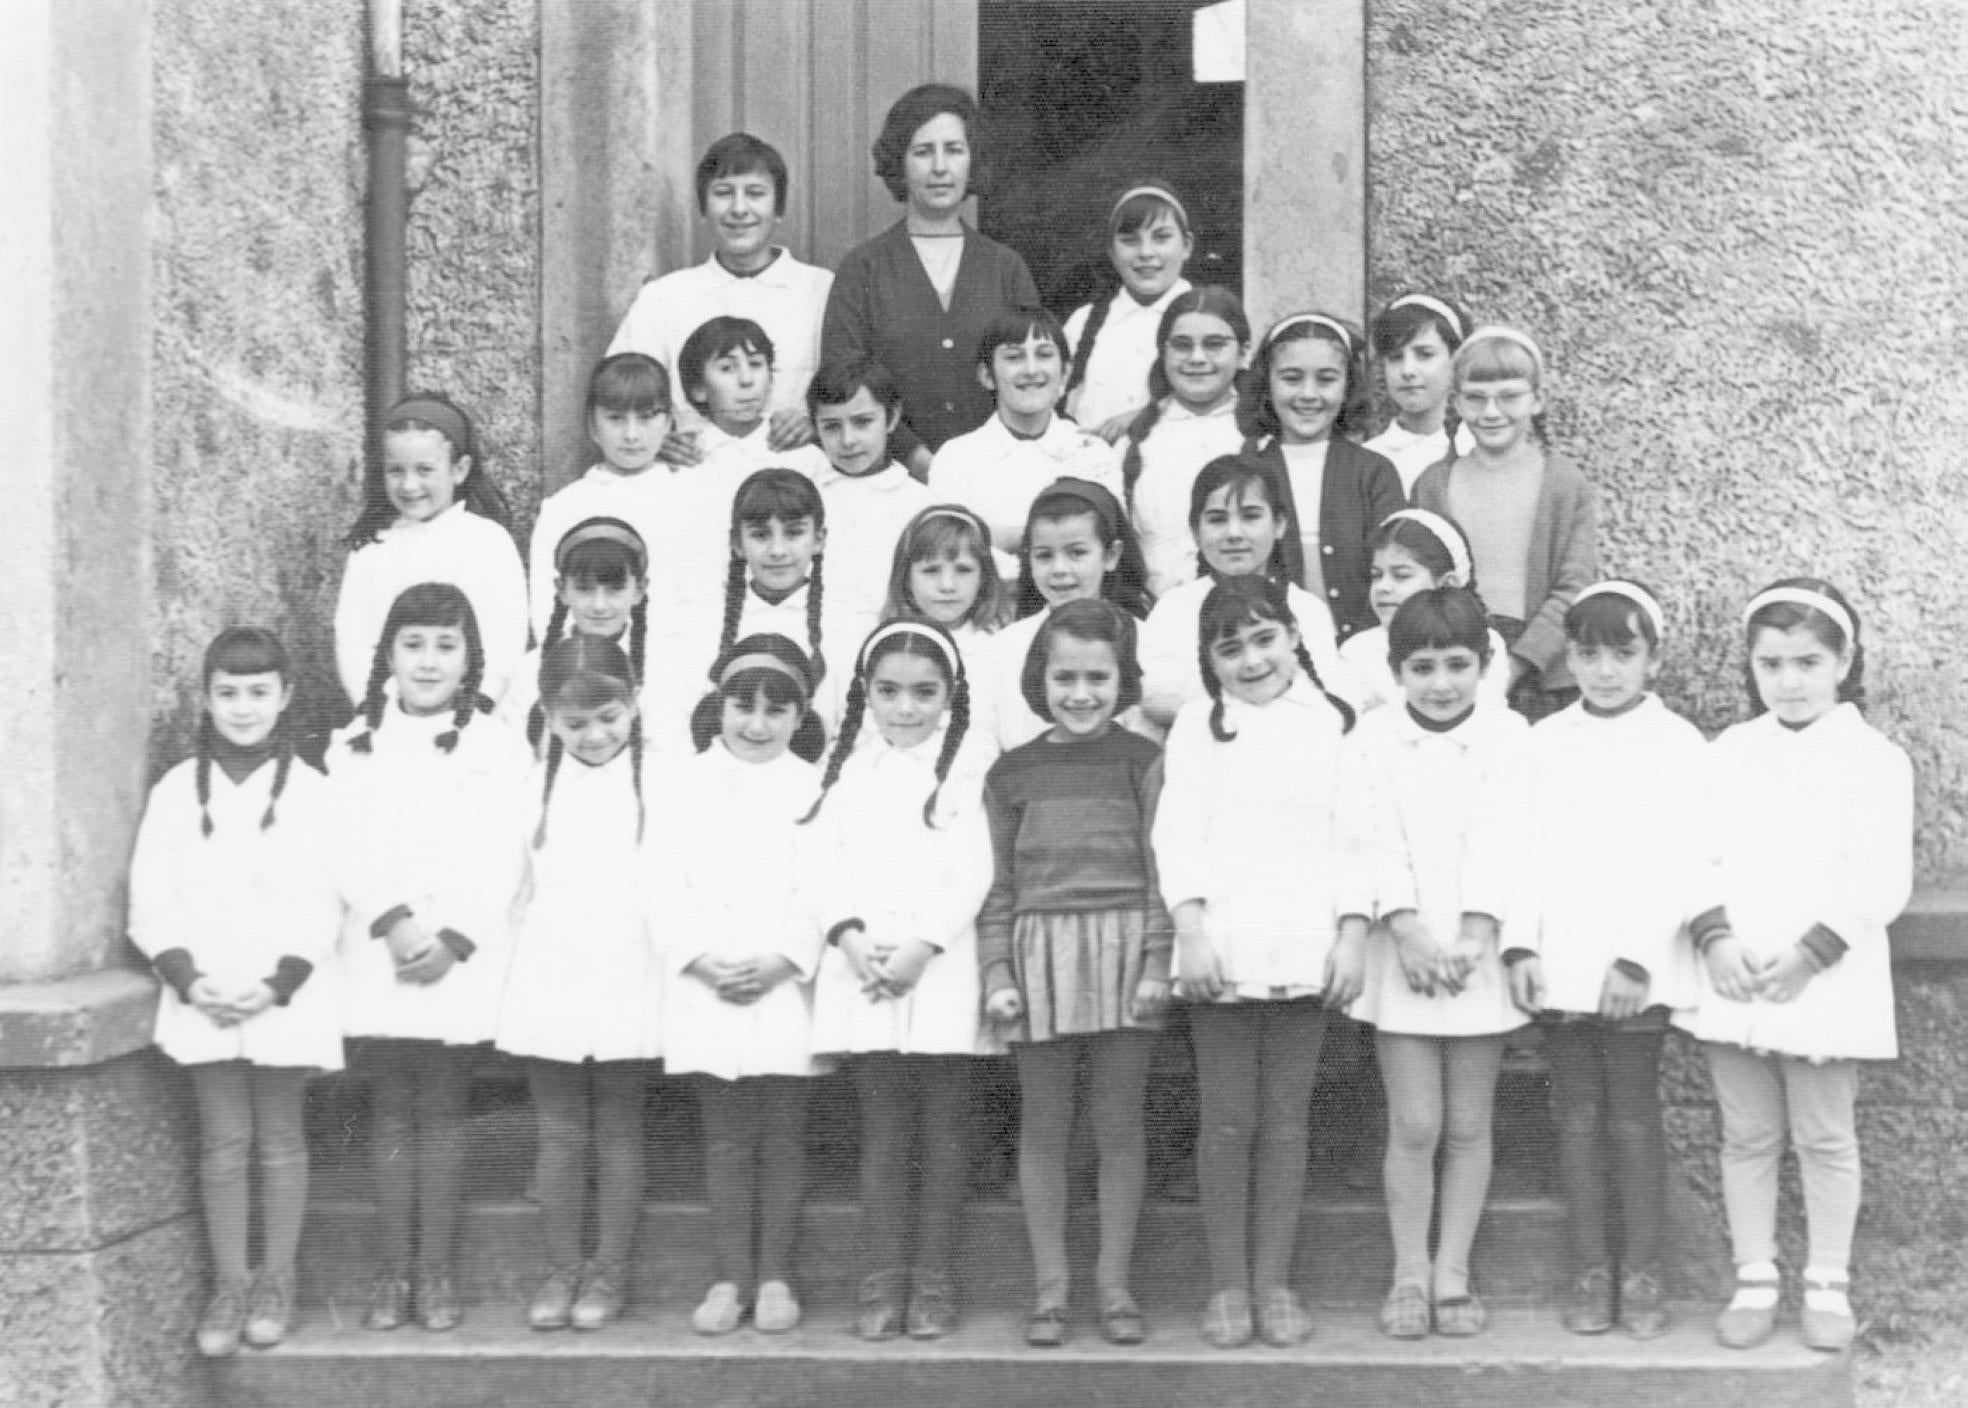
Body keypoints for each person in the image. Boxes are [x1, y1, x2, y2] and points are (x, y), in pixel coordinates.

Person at [1679, 579, 1911, 1354]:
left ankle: (1827, 1281)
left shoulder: (1875, 761)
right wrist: (1715, 938)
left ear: (1843, 662)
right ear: (1751, 666)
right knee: (1746, 1135)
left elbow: (1881, 878)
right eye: (1771, 664)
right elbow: (1693, 855)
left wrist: (1811, 955)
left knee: (1824, 1136)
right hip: (1738, 973)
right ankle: (1754, 1277)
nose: (1789, 681)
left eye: (1808, 662)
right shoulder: (1728, 753)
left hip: (1825, 978)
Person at [1151, 577, 1365, 1348]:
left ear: (1295, 637)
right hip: (1224, 946)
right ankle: (1227, 1285)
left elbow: (1356, 837)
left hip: (1306, 943)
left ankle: (1274, 1282)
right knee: (1227, 1120)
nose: (1251, 661)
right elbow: (1178, 832)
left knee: (1284, 1122)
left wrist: (1352, 933)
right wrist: (1191, 929)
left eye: (1265, 639)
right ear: (1208, 660)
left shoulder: (1336, 724)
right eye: (1230, 648)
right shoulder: (1199, 728)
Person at [128, 628, 342, 1357]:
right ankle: (231, 1284)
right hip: (205, 994)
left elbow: (325, 899)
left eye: (258, 692)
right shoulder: (175, 789)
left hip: (282, 995)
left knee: (279, 1138)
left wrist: (277, 984)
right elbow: (149, 897)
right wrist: (190, 980)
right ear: (206, 698)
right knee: (224, 1141)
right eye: (227, 693)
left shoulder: (312, 791)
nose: (243, 708)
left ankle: (277, 1281)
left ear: (285, 697)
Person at [325, 583, 531, 1334]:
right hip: (383, 949)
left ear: (471, 658)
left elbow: (505, 849)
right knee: (390, 1111)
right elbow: (342, 840)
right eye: (413, 644)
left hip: (457, 956)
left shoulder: (498, 745)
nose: (428, 661)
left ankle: (436, 1270)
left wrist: (454, 938)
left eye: (446, 646)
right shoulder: (353, 742)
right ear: (388, 653)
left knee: (442, 1114)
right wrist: (394, 921)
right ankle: (393, 1271)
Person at [1503, 581, 1706, 1340]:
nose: (1606, 671)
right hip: (1563, 962)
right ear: (1570, 659)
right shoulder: (1543, 744)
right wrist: (1522, 944)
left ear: (1653, 659)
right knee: (1577, 1117)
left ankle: (1643, 1272)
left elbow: (1683, 860)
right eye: (1589, 655)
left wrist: (1637, 958)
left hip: (1634, 973)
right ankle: (1590, 1269)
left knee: (1632, 1119)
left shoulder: (1677, 746)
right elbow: (1519, 851)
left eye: (1624, 654)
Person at [979, 598, 1171, 1348]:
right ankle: (1051, 1287)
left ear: (1124, 681)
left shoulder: (1144, 762)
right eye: (1065, 678)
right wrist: (998, 970)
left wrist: (1156, 962)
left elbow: (1162, 872)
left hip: (1126, 952)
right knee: (1045, 1126)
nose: (1082, 694)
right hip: (1039, 958)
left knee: (1119, 1124)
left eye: (1099, 678)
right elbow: (998, 886)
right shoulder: (1012, 772)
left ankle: (1115, 1284)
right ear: (1041, 679)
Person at [803, 622, 994, 1340]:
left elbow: (974, 868)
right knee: (884, 1134)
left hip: (938, 971)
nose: (905, 708)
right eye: (888, 692)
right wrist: (851, 938)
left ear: (950, 695)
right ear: (866, 694)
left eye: (924, 692)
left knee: (945, 1135)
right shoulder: (848, 773)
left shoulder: (970, 771)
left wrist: (922, 945)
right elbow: (822, 864)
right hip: (867, 972)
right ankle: (883, 1276)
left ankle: (934, 1279)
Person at [1346, 586, 1527, 1340]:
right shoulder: (1372, 739)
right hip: (1404, 951)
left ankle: (1453, 1270)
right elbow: (1369, 836)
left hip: (1479, 948)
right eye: (1422, 668)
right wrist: (1409, 931)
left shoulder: (1508, 735)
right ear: (1396, 672)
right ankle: (1409, 1272)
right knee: (1416, 1122)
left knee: (1467, 1124)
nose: (1442, 683)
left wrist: (1477, 935)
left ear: (1484, 665)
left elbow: (1507, 835)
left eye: (1457, 664)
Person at [658, 634, 827, 1335]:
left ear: (799, 716)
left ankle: (777, 1274)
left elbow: (824, 884)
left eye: (775, 711)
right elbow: (661, 880)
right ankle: (729, 1276)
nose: (757, 725)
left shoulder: (815, 787)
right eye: (743, 707)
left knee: (783, 1136)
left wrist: (786, 959)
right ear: (719, 706)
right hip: (710, 983)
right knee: (726, 1139)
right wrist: (699, 958)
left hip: (782, 985)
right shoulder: (681, 782)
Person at [497, 635, 659, 1333]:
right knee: (560, 1133)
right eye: (575, 723)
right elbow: (514, 891)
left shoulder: (664, 784)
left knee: (619, 1128)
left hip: (628, 970)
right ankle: (562, 1266)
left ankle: (609, 1269)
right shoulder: (531, 787)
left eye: (609, 718)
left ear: (635, 704)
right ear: (547, 716)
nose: (594, 736)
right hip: (552, 973)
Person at [821, 83, 1042, 473]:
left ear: (972, 161)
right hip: (891, 477)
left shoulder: (1006, 268)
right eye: (923, 152)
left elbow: (1033, 373)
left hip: (996, 474)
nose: (940, 167)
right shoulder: (863, 268)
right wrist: (917, 459)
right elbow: (845, 381)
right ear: (900, 164)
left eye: (954, 150)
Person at [1411, 325, 1597, 720]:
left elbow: (1574, 586)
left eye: (1509, 397)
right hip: (1456, 666)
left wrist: (1516, 664)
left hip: (1544, 675)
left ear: (1537, 400)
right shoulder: (1433, 485)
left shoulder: (1564, 483)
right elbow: (1421, 583)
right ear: (1456, 402)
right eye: (1476, 398)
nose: (1491, 413)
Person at [607, 132, 832, 456]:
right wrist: (652, 441)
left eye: (755, 193)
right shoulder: (663, 298)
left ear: (779, 208)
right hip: (691, 475)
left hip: (800, 476)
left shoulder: (823, 291)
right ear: (703, 209)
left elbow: (856, 392)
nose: (739, 209)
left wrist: (819, 423)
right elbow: (617, 395)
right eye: (723, 193)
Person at [334, 394, 526, 705]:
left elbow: (506, 637)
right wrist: (377, 708)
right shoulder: (372, 549)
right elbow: (353, 640)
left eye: (424, 470)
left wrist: (476, 704)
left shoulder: (488, 542)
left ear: (460, 469)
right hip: (390, 713)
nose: (409, 485)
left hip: (470, 712)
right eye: (396, 470)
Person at [1138, 455, 1349, 734]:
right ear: (1196, 531)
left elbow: (1324, 693)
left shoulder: (1307, 609)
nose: (1234, 533)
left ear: (1279, 524)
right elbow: (1155, 696)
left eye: (1250, 516)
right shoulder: (1175, 607)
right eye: (1217, 520)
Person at [1240, 314, 1403, 642]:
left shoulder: (1374, 472)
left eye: (1326, 379)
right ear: (1267, 384)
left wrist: (1359, 646)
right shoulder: (1247, 473)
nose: (1308, 394)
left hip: (1365, 647)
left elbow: (1397, 568)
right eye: (1291, 378)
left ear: (1348, 387)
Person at [927, 307, 1123, 571]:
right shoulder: (956, 459)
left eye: (1044, 355)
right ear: (987, 376)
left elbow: (1108, 544)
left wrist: (997, 538)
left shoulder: (1093, 452)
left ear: (1065, 372)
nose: (1031, 370)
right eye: (1014, 357)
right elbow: (952, 552)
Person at [984, 478, 1152, 753]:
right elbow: (981, 739)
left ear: (1111, 555)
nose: (1059, 569)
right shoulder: (1000, 650)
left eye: (1077, 553)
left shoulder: (1147, 643)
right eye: (1044, 556)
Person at [524, 353, 671, 644]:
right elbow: (546, 610)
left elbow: (703, 605)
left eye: (646, 417)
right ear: (592, 425)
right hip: (583, 661)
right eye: (615, 418)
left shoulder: (694, 503)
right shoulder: (564, 508)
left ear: (668, 422)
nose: (631, 435)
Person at [1120, 287, 1252, 598]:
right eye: (1182, 345)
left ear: (1244, 353)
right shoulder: (1134, 441)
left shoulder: (1263, 434)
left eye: (1214, 345)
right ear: (1163, 353)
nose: (1197, 358)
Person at [803, 358, 933, 635]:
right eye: (831, 426)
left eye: (862, 422)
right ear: (815, 427)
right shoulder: (804, 499)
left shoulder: (921, 505)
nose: (847, 440)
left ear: (892, 418)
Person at [1062, 180, 1197, 440]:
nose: (1146, 252)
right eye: (1130, 241)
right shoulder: (1084, 322)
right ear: (1112, 252)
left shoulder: (1209, 319)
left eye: (1161, 238)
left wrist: (1145, 417)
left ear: (1187, 246)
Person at [500, 517, 651, 750]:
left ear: (639, 590)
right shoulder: (530, 670)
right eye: (584, 589)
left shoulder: (664, 670)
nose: (599, 605)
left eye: (615, 589)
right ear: (562, 590)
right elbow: (511, 752)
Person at [1339, 509, 1510, 714]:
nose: (1382, 587)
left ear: (1447, 584)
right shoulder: (1358, 650)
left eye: (1401, 576)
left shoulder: (1484, 642)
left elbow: (1485, 715)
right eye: (1376, 576)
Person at [1364, 292, 1474, 493]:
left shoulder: (1478, 451)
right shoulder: (1366, 461)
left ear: (1456, 360)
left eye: (1425, 354)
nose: (1407, 370)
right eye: (1395, 357)